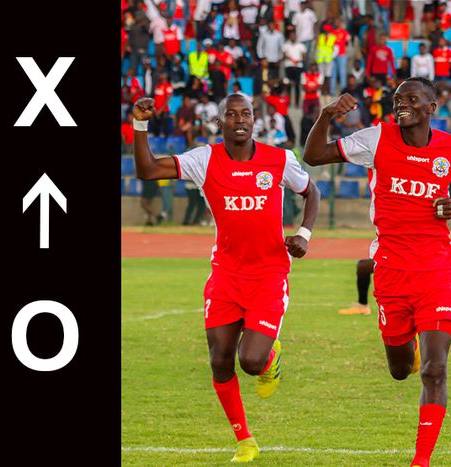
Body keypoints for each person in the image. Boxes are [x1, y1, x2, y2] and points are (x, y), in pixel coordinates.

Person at [302, 77, 451, 467]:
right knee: (401, 370)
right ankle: (410, 346)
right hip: (391, 272)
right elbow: (313, 157)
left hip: (437, 270)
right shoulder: (375, 139)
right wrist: (327, 115)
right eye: (398, 99)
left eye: (411, 99)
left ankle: (421, 460)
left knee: (435, 370)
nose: (401, 104)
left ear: (431, 107)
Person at [131, 93, 321, 463]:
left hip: (269, 275)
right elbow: (148, 170)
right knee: (220, 359)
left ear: (255, 120)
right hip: (226, 275)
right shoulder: (205, 159)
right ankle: (245, 441)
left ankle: (269, 358)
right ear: (220, 123)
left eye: (246, 113)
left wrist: (304, 234)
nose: (240, 119)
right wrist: (140, 124)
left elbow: (310, 191)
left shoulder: (279, 159)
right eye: (231, 114)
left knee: (250, 361)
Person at [337, 258, 451, 321]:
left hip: (407, 255)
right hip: (393, 253)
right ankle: (362, 306)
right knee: (363, 266)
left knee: (419, 287)